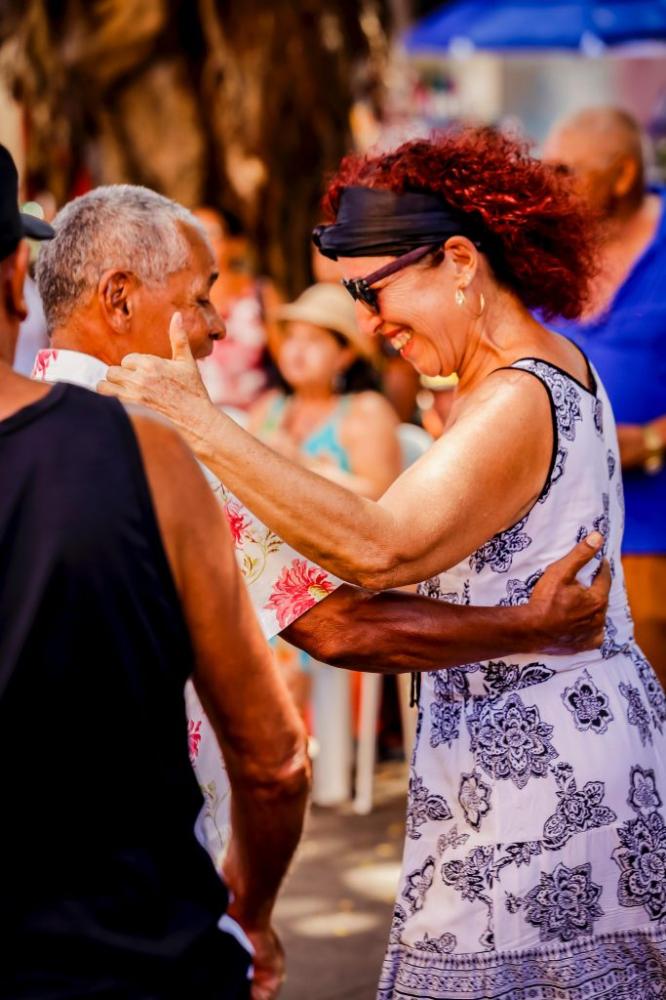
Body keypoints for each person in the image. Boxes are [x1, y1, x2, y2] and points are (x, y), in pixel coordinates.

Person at [101, 128, 666, 998]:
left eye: (372, 290)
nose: (367, 323)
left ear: (461, 262)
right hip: (544, 767)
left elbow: (379, 545)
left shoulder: (520, 396)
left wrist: (200, 422)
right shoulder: (527, 379)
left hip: (545, 792)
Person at [0, 146, 309, 1000]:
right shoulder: (152, 449)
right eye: (200, 299)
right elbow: (279, 750)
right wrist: (251, 910)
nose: (214, 326)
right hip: (138, 940)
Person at [543, 106, 666, 685]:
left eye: (566, 171)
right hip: (565, 541)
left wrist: (653, 439)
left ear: (620, 175)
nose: (550, 184)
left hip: (654, 532)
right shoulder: (547, 255)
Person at [250, 282, 400, 498]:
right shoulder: (269, 406)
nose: (297, 350)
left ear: (344, 355)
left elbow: (381, 497)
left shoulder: (367, 410)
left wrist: (302, 465)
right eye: (291, 337)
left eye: (314, 339)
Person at [195, 205, 282, 412]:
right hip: (192, 423)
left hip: (254, 421)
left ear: (236, 244)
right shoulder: (172, 297)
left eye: (209, 233)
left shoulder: (261, 293)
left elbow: (286, 357)